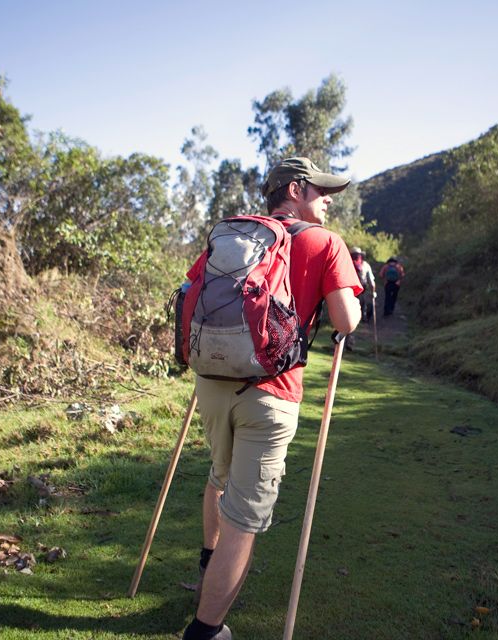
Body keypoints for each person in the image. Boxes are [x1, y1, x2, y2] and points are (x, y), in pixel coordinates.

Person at [181, 157, 362, 640]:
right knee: (244, 519)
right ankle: (206, 631)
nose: (328, 200)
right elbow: (345, 321)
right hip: (271, 395)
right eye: (322, 190)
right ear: (296, 190)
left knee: (219, 476)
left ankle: (208, 564)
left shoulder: (233, 234)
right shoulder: (326, 243)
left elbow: (191, 290)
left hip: (212, 381)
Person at [344, 247, 376, 351]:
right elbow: (371, 282)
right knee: (354, 315)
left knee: (345, 315)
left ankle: (343, 341)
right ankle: (349, 340)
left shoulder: (346, 263)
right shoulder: (365, 265)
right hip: (361, 292)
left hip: (347, 292)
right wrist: (373, 292)